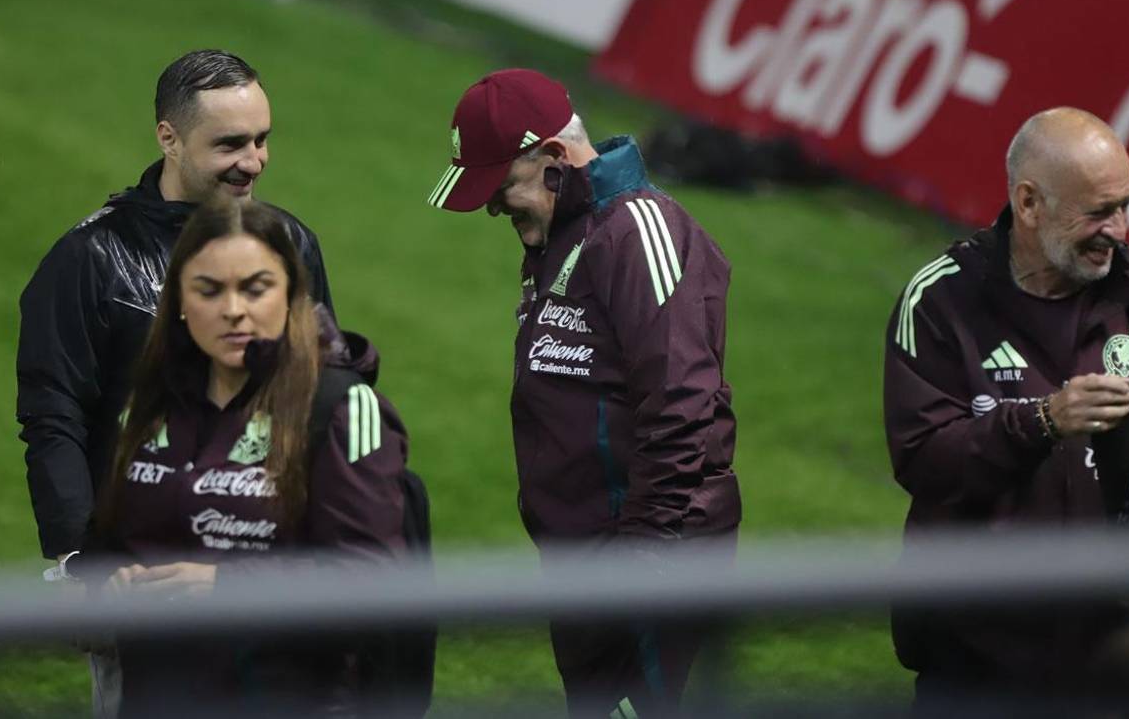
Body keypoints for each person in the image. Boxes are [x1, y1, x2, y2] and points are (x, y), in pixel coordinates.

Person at [428, 68, 741, 716]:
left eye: (500, 187)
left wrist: (640, 566)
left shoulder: (639, 229)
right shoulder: (563, 233)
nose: (492, 207)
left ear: (552, 160)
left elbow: (682, 405)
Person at [884, 107, 1129, 706]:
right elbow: (924, 459)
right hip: (976, 661)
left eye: (1125, 205)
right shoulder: (941, 301)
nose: (1119, 228)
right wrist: (1043, 421)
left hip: (1122, 663)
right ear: (1028, 203)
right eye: (1098, 211)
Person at [68, 201, 409, 716]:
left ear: (292, 295)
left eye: (255, 288)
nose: (233, 310)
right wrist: (103, 588)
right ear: (180, 300)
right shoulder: (149, 406)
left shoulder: (340, 406)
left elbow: (375, 583)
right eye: (209, 290)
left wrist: (227, 585)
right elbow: (106, 544)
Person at [17, 49, 333, 567]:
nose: (253, 161)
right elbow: (54, 413)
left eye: (262, 139)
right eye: (231, 144)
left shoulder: (292, 245)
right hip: (141, 564)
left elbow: (320, 397)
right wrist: (79, 554)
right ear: (170, 138)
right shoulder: (90, 258)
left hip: (262, 560)